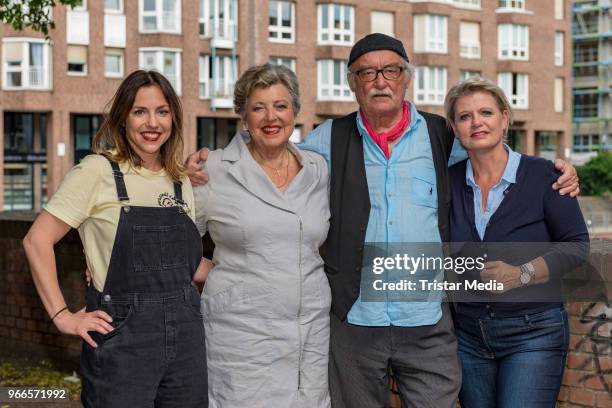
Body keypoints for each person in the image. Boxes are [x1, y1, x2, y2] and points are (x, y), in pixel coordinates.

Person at [187, 34, 580, 407]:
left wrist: (554, 170)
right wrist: (213, 162)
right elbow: (271, 155)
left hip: (428, 321)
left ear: (406, 79)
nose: (380, 81)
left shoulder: (443, 135)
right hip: (354, 321)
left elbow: (489, 152)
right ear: (352, 85)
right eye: (366, 73)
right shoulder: (326, 141)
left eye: (390, 71)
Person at [23, 70, 208, 407]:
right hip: (122, 338)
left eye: (162, 111)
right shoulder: (97, 171)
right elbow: (37, 241)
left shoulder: (181, 181)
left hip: (187, 340)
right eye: (140, 111)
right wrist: (62, 315)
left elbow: (188, 266)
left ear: (174, 119)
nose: (152, 123)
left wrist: (249, 270)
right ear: (123, 118)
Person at [444, 77, 589, 408]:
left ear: (505, 118)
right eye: (465, 116)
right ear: (454, 127)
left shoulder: (545, 176)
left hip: (533, 332)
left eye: (486, 112)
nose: (476, 122)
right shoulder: (448, 182)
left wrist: (521, 274)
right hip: (467, 337)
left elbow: (577, 245)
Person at [193, 63, 331, 407]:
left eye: (280, 106)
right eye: (259, 107)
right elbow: (170, 243)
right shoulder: (213, 170)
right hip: (241, 336)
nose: (271, 117)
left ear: (295, 112)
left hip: (310, 333)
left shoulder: (317, 170)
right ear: (244, 117)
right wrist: (217, 275)